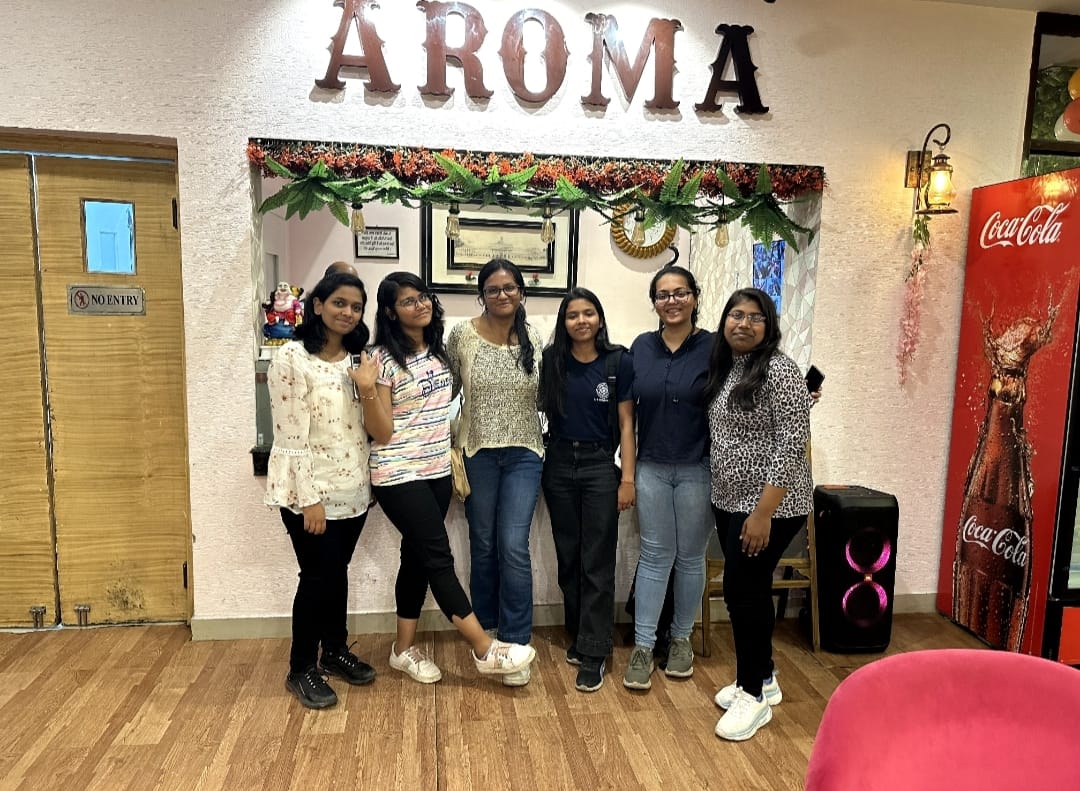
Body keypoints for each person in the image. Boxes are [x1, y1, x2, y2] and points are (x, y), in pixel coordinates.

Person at [360, 271, 536, 685]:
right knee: (439, 558)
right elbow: (380, 431)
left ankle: (403, 649)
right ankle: (484, 648)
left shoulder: (440, 351)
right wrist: (367, 388)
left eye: (423, 296)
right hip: (398, 473)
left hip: (437, 470)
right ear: (390, 312)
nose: (420, 304)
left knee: (416, 559)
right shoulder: (380, 359)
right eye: (408, 301)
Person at [264, 270, 377, 709]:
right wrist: (309, 499)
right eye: (339, 303)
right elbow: (290, 435)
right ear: (317, 306)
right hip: (310, 494)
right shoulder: (291, 358)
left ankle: (333, 650)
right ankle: (300, 668)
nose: (348, 312)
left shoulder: (358, 360)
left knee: (336, 572)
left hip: (354, 490)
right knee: (316, 578)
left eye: (356, 307)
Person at [705, 287, 812, 741]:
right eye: (736, 315)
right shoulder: (729, 365)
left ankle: (753, 696)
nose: (743, 324)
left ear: (769, 326)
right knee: (746, 589)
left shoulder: (780, 371)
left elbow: (791, 444)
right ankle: (764, 676)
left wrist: (764, 512)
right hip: (730, 499)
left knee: (743, 591)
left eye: (755, 317)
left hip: (770, 504)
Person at [446, 258, 545, 687]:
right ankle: (485, 633)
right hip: (477, 452)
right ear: (481, 295)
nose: (502, 295)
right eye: (493, 289)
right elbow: (445, 391)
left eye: (509, 288)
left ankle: (516, 638)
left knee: (513, 545)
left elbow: (545, 397)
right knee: (483, 543)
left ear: (521, 292)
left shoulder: (534, 337)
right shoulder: (461, 336)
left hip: (525, 453)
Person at [623, 265, 714, 691]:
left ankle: (681, 640)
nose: (672, 301)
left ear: (694, 297)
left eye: (680, 293)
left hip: (699, 467)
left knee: (691, 557)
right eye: (663, 294)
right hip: (652, 468)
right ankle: (644, 646)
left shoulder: (714, 347)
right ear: (654, 302)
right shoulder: (641, 347)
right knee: (655, 556)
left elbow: (748, 384)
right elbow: (626, 413)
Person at [539, 288, 635, 692]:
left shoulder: (618, 361)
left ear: (599, 319)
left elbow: (627, 424)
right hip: (559, 462)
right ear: (564, 323)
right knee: (569, 556)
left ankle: (596, 650)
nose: (581, 321)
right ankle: (580, 634)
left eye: (588, 313)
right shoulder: (552, 361)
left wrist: (627, 479)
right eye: (573, 315)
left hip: (599, 466)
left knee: (596, 559)